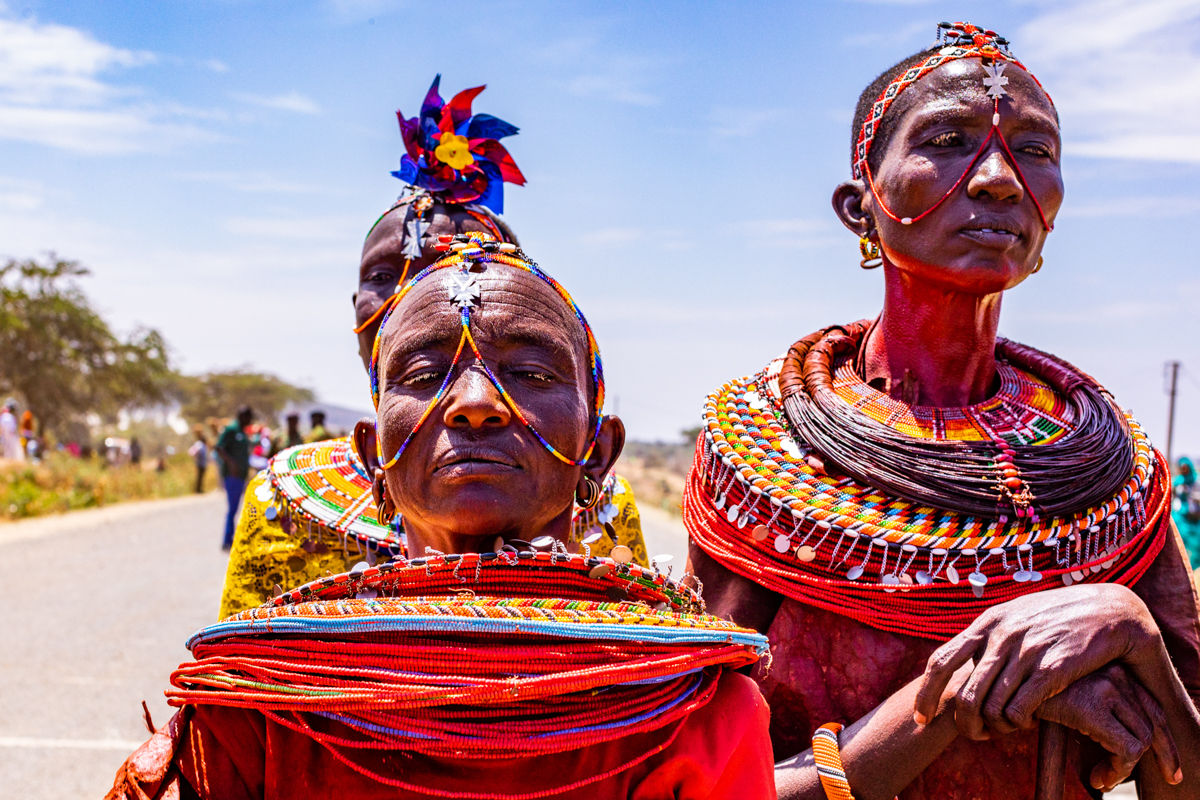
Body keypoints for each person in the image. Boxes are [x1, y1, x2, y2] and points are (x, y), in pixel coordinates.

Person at [684, 23, 1200, 799]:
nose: (997, 178)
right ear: (860, 206)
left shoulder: (1117, 476)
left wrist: (1127, 627)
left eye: (1034, 150)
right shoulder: (765, 462)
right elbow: (712, 783)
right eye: (949, 139)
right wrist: (951, 706)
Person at [107, 236, 776, 799]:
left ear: (597, 453)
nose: (476, 402)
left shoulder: (694, 711)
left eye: (532, 372)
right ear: (374, 458)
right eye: (425, 372)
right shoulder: (257, 711)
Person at [219, 76, 649, 618]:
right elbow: (247, 673)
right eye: (382, 275)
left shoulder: (593, 492)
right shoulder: (288, 494)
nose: (413, 295)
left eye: (452, 264)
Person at [215, 407, 254, 550]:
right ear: (242, 416)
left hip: (241, 476)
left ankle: (231, 538)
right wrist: (232, 464)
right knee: (232, 508)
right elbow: (219, 447)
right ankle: (227, 540)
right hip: (233, 476)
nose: (250, 421)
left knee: (236, 507)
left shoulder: (243, 432)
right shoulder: (231, 429)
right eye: (248, 417)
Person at [1173, 457, 1200, 569]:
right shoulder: (1177, 482)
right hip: (1180, 519)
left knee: (1195, 548)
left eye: (1186, 468)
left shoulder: (1196, 482)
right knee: (1178, 546)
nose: (1184, 471)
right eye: (1182, 469)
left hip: (1193, 520)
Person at [188, 426, 208, 494]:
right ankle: (198, 489)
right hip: (200, 462)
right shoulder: (199, 443)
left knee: (201, 476)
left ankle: (199, 489)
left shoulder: (201, 442)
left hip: (202, 461)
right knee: (200, 476)